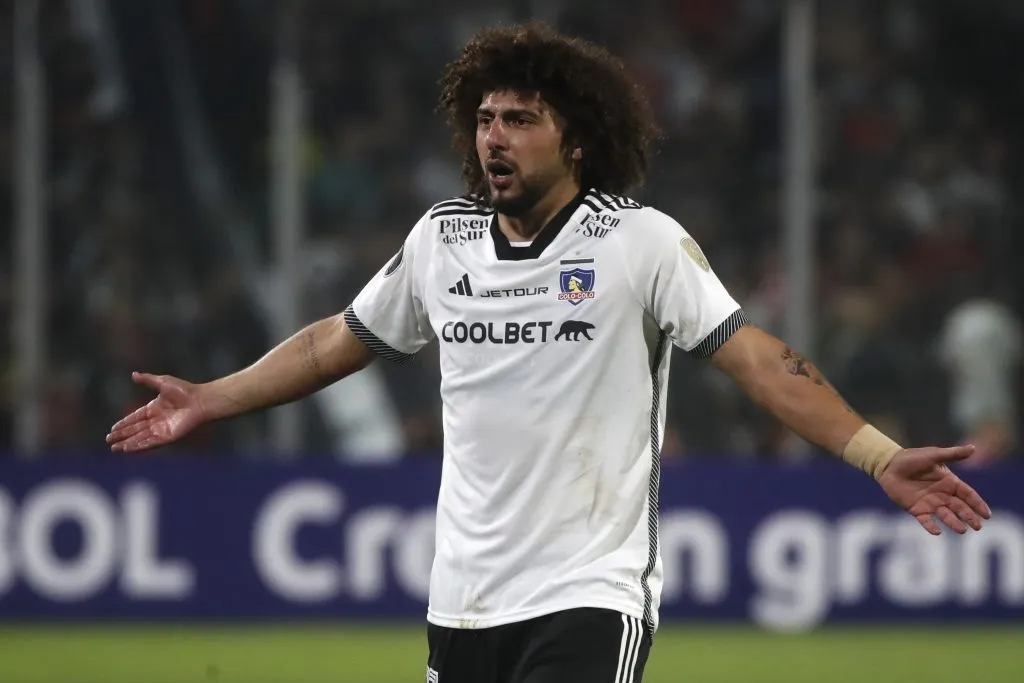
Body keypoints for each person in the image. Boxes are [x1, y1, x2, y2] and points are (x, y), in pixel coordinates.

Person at [107, 23, 992, 683]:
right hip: (462, 598)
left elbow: (760, 359)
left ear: (574, 138)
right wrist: (213, 397)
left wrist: (877, 456)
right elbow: (337, 339)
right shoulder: (440, 240)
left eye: (520, 118)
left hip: (587, 593)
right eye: (485, 118)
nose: (494, 136)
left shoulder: (637, 242)